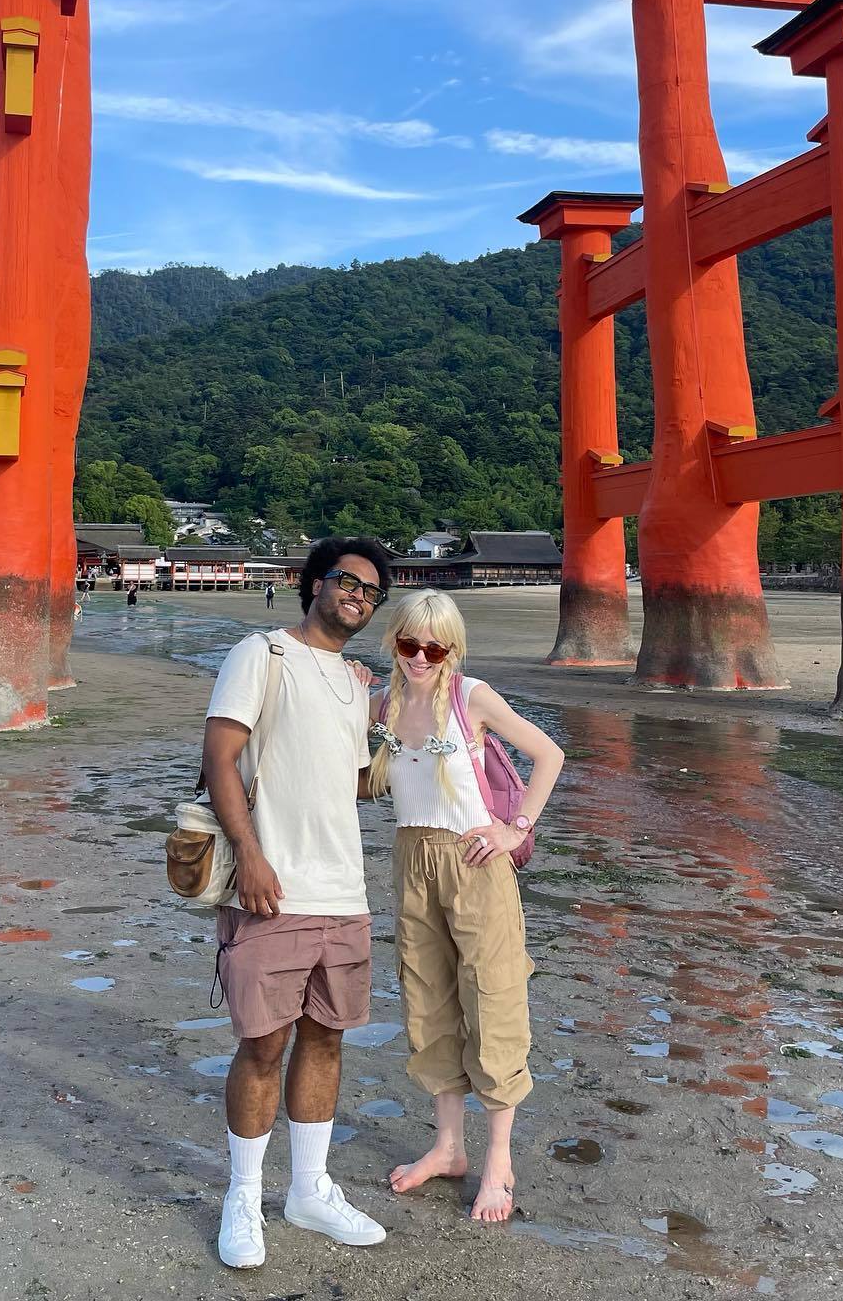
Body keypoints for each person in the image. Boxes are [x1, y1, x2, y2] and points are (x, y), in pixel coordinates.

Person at [203, 535, 393, 1271]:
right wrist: (250, 853)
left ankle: (309, 1189)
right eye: (347, 580)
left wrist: (400, 721)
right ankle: (244, 1196)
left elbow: (351, 785)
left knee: (327, 1037)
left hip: (344, 890)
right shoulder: (263, 653)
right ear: (315, 583)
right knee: (262, 1044)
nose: (358, 595)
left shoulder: (353, 682)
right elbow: (220, 757)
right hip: (272, 887)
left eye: (371, 591)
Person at [368, 589, 565, 1225]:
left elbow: (549, 754)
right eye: (410, 644)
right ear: (394, 641)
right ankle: (449, 1148)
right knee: (427, 999)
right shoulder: (382, 704)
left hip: (475, 862)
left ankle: (498, 1161)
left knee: (492, 998)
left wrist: (516, 828)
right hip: (412, 860)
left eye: (436, 648)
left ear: (453, 649)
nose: (421, 658)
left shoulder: (471, 697)